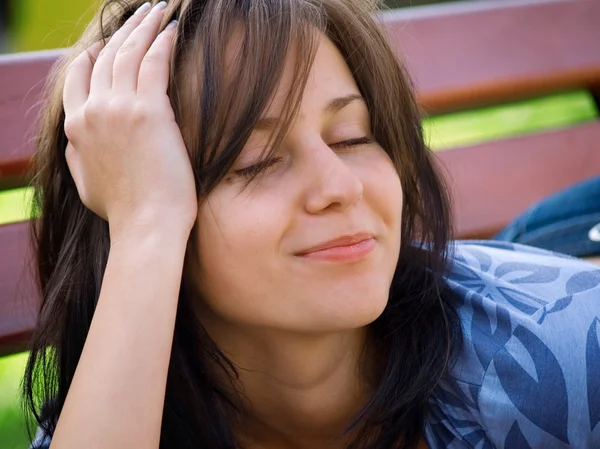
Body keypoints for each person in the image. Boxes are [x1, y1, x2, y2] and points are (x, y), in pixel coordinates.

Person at [22, 1, 600, 448]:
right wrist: (148, 226)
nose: (340, 187)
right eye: (256, 161)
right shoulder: (115, 403)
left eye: (353, 136)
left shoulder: (566, 359)